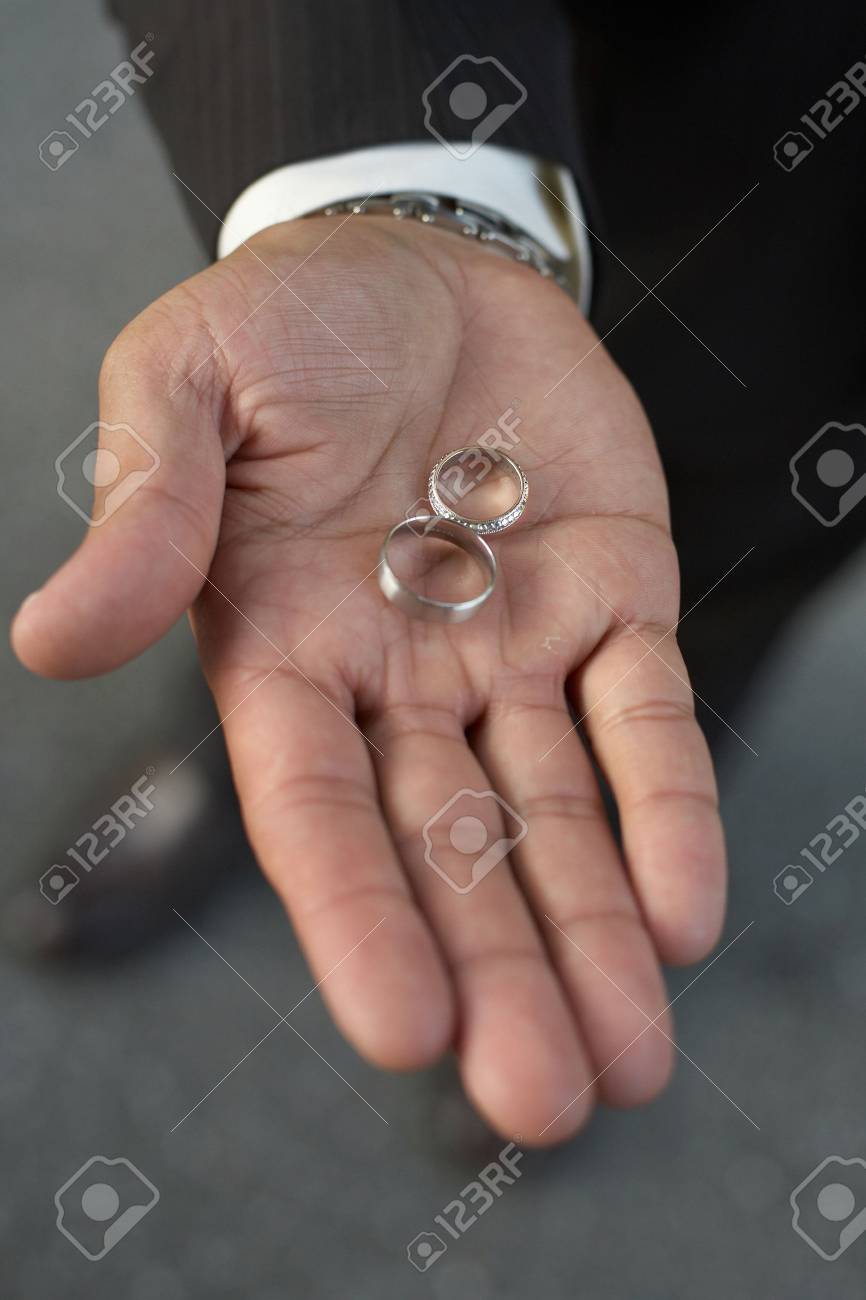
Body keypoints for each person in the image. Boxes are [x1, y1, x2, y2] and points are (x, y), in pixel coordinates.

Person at [11, 0, 865, 1145]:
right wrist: (390, 208)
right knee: (299, 562)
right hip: (621, 114)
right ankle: (217, 771)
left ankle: (571, 926)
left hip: (829, 364)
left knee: (681, 635)